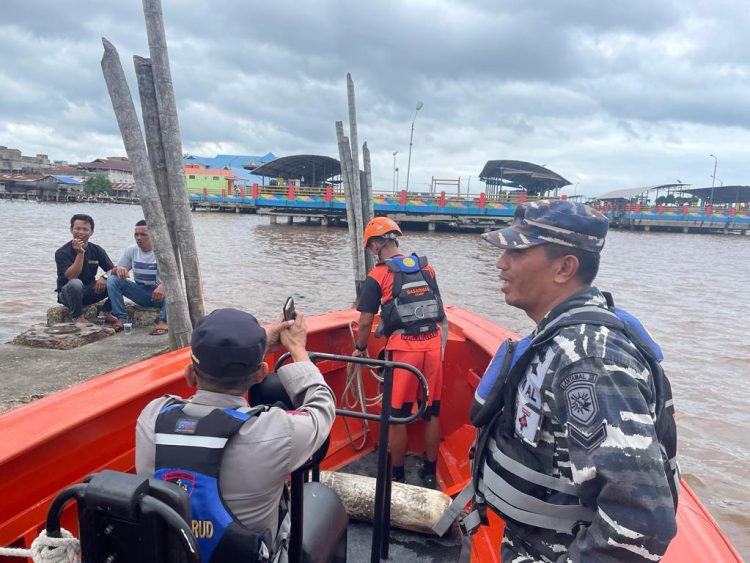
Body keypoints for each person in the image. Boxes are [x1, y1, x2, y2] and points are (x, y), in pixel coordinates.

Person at [469, 200, 678, 561]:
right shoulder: (558, 336)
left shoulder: (590, 362)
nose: (501, 263)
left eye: (516, 252)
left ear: (565, 268)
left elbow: (642, 520)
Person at [135, 308, 335, 561]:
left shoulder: (151, 418)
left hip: (168, 554)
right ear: (261, 374)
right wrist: (297, 349)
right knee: (324, 504)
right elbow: (322, 407)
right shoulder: (277, 431)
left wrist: (256, 349)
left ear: (189, 376)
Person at [352, 216, 446, 489]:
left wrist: (359, 349)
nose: (371, 251)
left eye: (371, 246)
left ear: (376, 245)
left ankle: (397, 475)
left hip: (403, 352)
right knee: (432, 412)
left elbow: (367, 322)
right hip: (432, 345)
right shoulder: (427, 269)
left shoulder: (377, 275)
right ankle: (430, 472)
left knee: (395, 415)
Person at [106, 219, 168, 334]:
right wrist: (119, 269)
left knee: (173, 291)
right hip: (141, 292)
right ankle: (121, 318)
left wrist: (164, 286)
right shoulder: (131, 250)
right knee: (112, 280)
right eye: (136, 234)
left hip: (160, 295)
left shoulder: (162, 252)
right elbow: (113, 271)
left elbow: (175, 278)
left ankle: (164, 321)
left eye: (143, 235)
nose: (139, 238)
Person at [55, 213, 114, 323]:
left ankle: (105, 313)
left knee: (118, 280)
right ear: (71, 230)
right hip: (68, 293)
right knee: (76, 283)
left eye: (85, 229)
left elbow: (112, 270)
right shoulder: (62, 252)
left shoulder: (97, 250)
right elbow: (72, 277)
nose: (81, 232)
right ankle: (77, 317)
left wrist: (105, 277)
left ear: (91, 232)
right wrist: (80, 254)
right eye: (77, 228)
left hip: (89, 290)